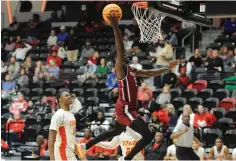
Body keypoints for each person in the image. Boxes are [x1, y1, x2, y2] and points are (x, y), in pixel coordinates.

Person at [78, 15, 178, 161]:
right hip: (125, 107)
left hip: (126, 106)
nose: (125, 54)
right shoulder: (120, 68)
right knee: (148, 135)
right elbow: (119, 47)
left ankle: (87, 145)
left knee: (117, 130)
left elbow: (149, 72)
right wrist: (115, 26)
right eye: (121, 54)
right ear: (117, 58)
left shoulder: (130, 69)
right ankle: (128, 158)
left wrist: (166, 69)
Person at [48, 91, 84, 160]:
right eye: (66, 95)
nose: (69, 97)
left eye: (69, 95)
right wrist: (52, 159)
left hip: (71, 153)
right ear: (60, 100)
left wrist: (81, 155)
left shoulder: (71, 114)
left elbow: (72, 139)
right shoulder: (58, 115)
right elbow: (51, 139)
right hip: (62, 153)